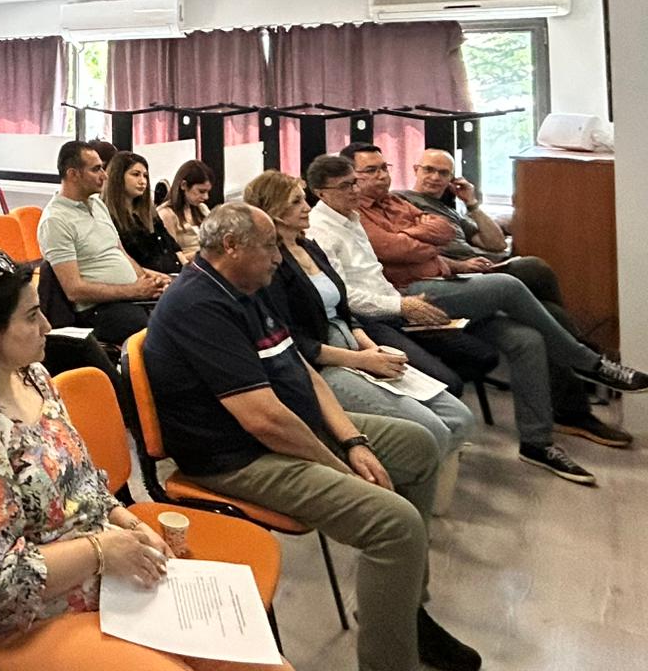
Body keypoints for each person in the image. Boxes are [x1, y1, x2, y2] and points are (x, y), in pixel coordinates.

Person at [0, 252, 287, 671]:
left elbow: (83, 483)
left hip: (101, 580)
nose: (47, 326)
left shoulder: (33, 378)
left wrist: (129, 524)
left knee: (258, 661)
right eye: (32, 316)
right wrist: (100, 550)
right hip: (23, 623)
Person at [144, 203, 479, 671]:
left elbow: (301, 369)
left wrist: (353, 441)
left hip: (289, 431)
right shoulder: (198, 306)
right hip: (239, 459)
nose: (278, 257)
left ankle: (400, 612)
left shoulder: (247, 285)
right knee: (396, 525)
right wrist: (341, 467)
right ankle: (390, 656)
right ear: (231, 246)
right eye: (268, 246)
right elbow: (264, 421)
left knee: (419, 445)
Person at [343, 143, 646, 480]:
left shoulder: (395, 203)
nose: (381, 176)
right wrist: (421, 241)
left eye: (383, 168)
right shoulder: (355, 215)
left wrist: (422, 240)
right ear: (351, 178)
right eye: (370, 171)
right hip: (411, 298)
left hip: (449, 283)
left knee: (528, 340)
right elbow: (393, 249)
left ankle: (536, 443)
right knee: (511, 283)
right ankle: (587, 362)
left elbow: (443, 231)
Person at [397, 150, 625, 446]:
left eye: (443, 173)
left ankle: (571, 410)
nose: (435, 177)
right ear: (415, 169)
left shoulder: (450, 211)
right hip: (448, 282)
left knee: (550, 316)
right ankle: (584, 356)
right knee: (534, 268)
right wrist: (458, 265)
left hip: (480, 275)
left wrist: (472, 204)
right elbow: (406, 253)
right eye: (429, 169)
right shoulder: (400, 201)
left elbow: (493, 243)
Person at [243, 171, 474, 459]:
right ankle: (408, 480)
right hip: (323, 366)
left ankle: (421, 474)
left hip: (355, 346)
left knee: (460, 417)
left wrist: (371, 349)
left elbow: (343, 309)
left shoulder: (309, 246)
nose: (307, 207)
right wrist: (362, 360)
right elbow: (294, 342)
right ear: (274, 211)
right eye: (296, 202)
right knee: (433, 430)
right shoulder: (271, 266)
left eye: (304, 199)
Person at [37, 141, 163, 345]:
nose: (104, 175)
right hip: (97, 310)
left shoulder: (97, 204)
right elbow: (74, 290)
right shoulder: (55, 220)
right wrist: (134, 290)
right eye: (96, 169)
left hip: (129, 298)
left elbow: (120, 252)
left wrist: (149, 280)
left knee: (179, 307)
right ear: (73, 174)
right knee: (158, 330)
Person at [104, 151, 184, 277]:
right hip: (146, 279)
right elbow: (124, 262)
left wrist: (187, 271)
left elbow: (172, 247)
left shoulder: (150, 213)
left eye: (145, 176)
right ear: (118, 177)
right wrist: (165, 278)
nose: (143, 181)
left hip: (173, 275)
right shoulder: (108, 216)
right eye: (136, 174)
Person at [157, 159, 213, 263]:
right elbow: (171, 257)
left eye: (207, 192)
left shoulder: (202, 209)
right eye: (201, 191)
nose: (206, 197)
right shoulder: (166, 214)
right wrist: (204, 254)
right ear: (184, 185)